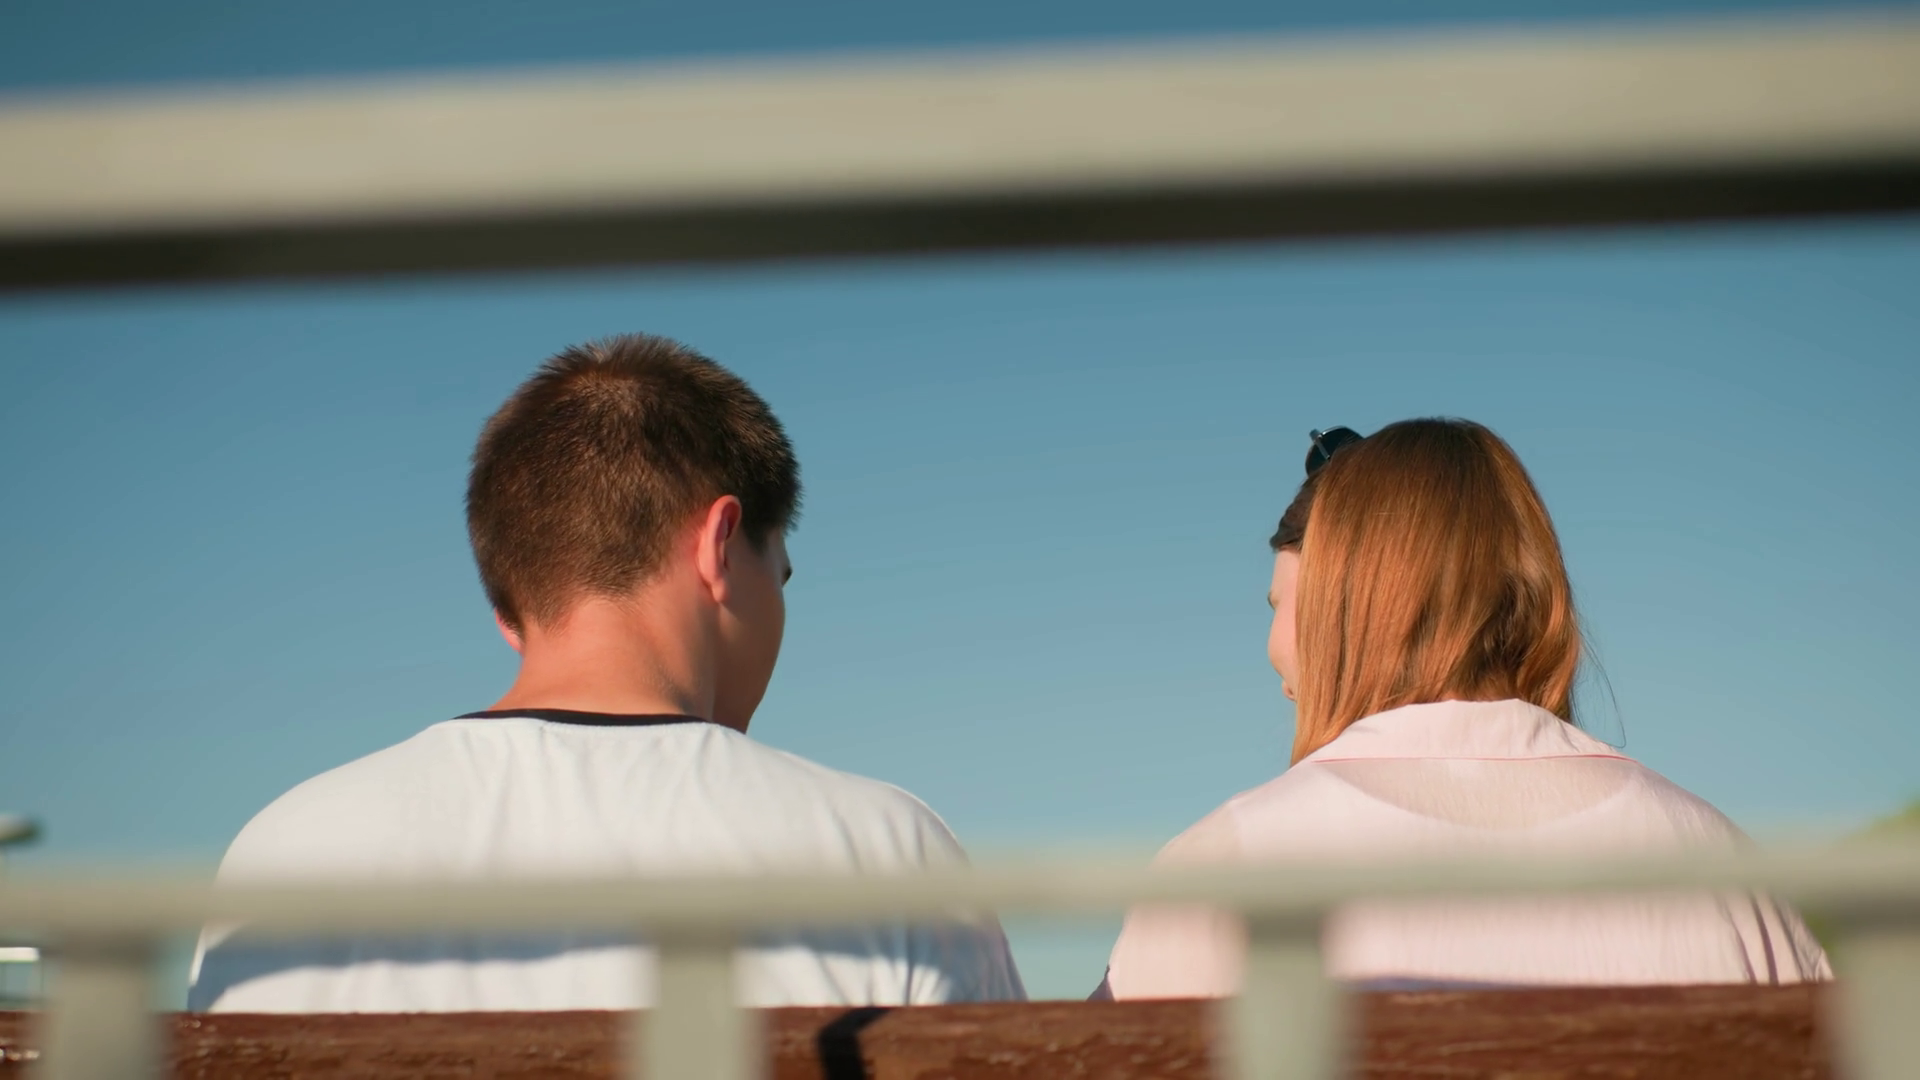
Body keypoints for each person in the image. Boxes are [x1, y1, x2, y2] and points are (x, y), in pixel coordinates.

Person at [190, 334, 1024, 1012]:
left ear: (509, 613)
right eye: (782, 573)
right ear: (719, 546)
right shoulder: (882, 851)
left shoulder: (285, 849)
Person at [1099, 418, 1829, 998]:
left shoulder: (1228, 869)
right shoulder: (1714, 860)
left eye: (1281, 608)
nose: (1275, 656)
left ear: (1350, 615)